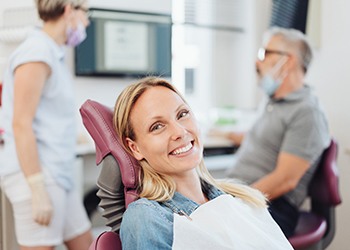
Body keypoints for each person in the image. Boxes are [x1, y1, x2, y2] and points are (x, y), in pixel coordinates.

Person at [112, 77, 293, 249]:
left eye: (182, 114)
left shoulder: (241, 199)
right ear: (135, 148)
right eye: (157, 126)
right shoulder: (147, 218)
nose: (180, 132)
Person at [215, 27, 330, 237]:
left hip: (272, 206)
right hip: (244, 194)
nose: (257, 62)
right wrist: (219, 132)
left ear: (288, 61)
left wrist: (234, 202)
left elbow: (285, 180)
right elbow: (260, 139)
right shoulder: (273, 101)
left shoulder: (307, 112)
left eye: (264, 53)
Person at [0, 0, 93, 249]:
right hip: (37, 173)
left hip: (58, 171)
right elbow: (21, 124)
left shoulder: (52, 52)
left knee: (85, 242)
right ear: (67, 10)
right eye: (85, 13)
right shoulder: (36, 53)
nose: (87, 21)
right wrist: (37, 189)